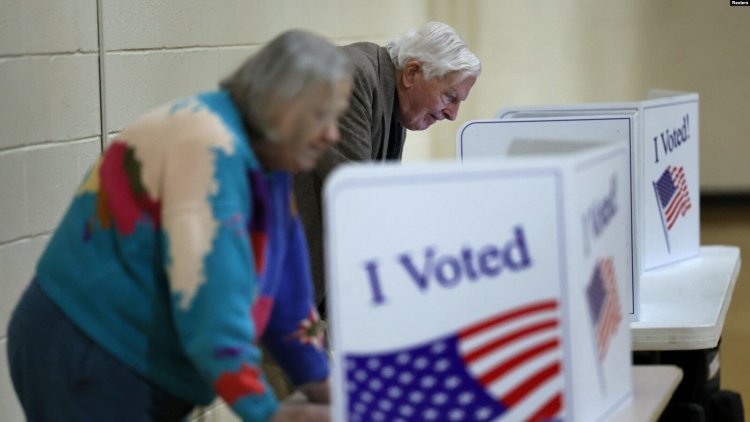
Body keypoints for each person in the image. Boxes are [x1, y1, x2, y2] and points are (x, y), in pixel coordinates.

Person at [7, 29, 352, 422]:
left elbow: (289, 301)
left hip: (142, 357)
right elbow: (210, 309)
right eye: (321, 116)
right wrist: (269, 414)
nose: (332, 134)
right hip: (90, 347)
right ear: (282, 104)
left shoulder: (272, 162)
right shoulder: (208, 147)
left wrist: (329, 392)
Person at [293, 21, 481, 310]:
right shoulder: (349, 77)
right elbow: (359, 196)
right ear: (412, 72)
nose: (453, 114)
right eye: (449, 97)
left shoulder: (392, 98)